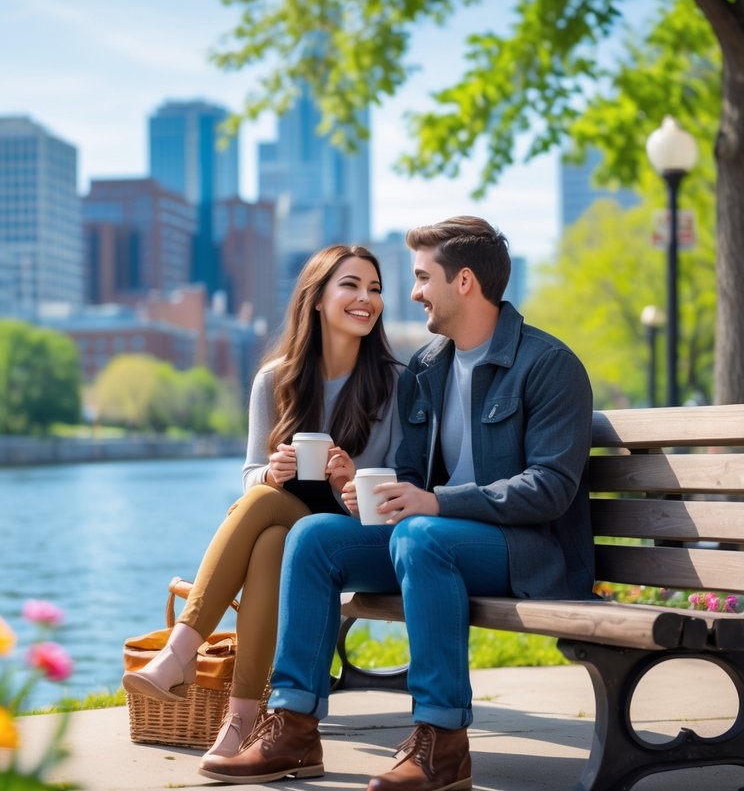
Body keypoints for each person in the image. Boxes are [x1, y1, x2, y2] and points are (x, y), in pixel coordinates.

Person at [198, 216, 594, 790]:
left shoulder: (547, 365)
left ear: (462, 282)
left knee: (419, 535)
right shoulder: (428, 369)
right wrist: (363, 491)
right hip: (432, 539)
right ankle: (293, 728)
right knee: (313, 538)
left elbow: (551, 488)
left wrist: (435, 503)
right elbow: (408, 474)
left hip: (526, 551)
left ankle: (443, 741)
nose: (411, 294)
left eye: (421, 277)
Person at [123, 245, 403, 758]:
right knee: (271, 536)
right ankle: (241, 721)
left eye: (375, 289)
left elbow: (397, 487)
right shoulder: (275, 380)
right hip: (294, 528)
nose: (366, 299)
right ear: (316, 298)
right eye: (351, 285)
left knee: (261, 514)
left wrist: (352, 478)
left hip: (358, 536)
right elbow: (252, 474)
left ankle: (180, 652)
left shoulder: (394, 384)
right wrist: (270, 472)